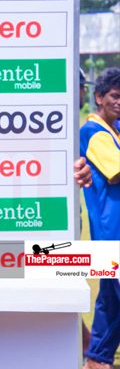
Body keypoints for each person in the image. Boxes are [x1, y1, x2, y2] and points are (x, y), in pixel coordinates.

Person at [80, 67, 120, 369]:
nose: (118, 102)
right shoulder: (93, 132)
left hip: (112, 233)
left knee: (110, 301)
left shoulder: (113, 130)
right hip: (111, 232)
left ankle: (97, 360)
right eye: (114, 96)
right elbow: (116, 171)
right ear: (99, 98)